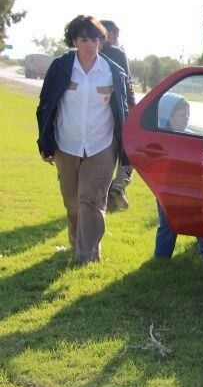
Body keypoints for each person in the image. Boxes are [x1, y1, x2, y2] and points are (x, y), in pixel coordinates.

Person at [36, 15, 128, 264]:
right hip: (67, 145)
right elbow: (45, 106)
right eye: (84, 39)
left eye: (95, 39)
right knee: (73, 204)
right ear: (74, 41)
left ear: (102, 40)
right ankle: (77, 244)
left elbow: (124, 111)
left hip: (102, 145)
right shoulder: (61, 67)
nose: (90, 44)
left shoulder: (113, 72)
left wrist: (126, 151)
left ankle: (87, 256)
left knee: (91, 200)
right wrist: (44, 143)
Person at [154, 93, 203, 262]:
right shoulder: (162, 138)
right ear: (168, 116)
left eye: (188, 114)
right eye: (182, 115)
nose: (186, 118)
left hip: (189, 188)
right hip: (167, 190)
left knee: (197, 218)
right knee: (168, 224)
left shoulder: (189, 135)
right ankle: (160, 258)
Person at [99, 19, 136, 211]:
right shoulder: (117, 53)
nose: (117, 39)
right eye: (116, 34)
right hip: (118, 109)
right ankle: (120, 184)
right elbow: (127, 83)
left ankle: (106, 196)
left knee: (104, 154)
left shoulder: (90, 53)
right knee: (128, 149)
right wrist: (134, 107)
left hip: (97, 113)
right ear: (109, 34)